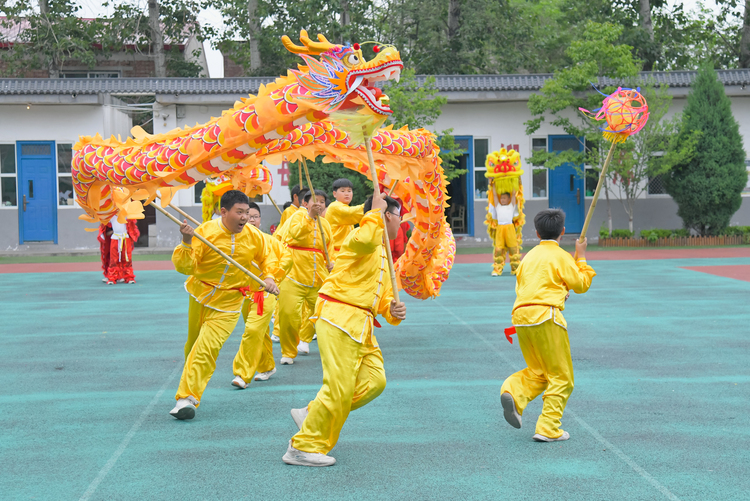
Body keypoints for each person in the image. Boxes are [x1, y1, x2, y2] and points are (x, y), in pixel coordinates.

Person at [282, 192, 406, 467]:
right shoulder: (361, 238)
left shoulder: (383, 252)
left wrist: (391, 310)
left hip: (361, 326)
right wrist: (374, 210)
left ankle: (313, 412)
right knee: (338, 387)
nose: (402, 222)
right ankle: (303, 446)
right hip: (339, 317)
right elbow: (367, 237)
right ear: (387, 215)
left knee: (375, 382)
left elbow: (382, 295)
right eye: (399, 216)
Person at [169, 190, 281, 420]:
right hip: (199, 294)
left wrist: (269, 277)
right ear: (223, 211)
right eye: (239, 212)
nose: (244, 218)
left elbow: (268, 257)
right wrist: (187, 241)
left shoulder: (253, 235)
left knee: (206, 348)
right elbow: (185, 267)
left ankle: (186, 398)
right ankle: (190, 379)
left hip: (229, 303)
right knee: (193, 345)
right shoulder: (205, 232)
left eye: (247, 213)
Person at [500, 209, 596, 442]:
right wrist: (581, 256)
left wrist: (559, 291)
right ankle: (548, 427)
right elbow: (581, 284)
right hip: (546, 317)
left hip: (521, 317)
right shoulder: (562, 256)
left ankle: (513, 390)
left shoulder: (528, 258)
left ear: (536, 232)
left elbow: (526, 287)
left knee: (539, 372)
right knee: (561, 376)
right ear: (562, 231)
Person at [232, 202, 288, 387]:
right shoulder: (235, 242)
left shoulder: (269, 241)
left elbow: (287, 259)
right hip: (245, 293)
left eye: (254, 216)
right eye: (247, 215)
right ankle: (267, 366)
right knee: (260, 332)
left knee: (253, 330)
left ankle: (242, 374)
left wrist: (272, 278)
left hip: (264, 294)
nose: (250, 219)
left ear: (260, 219)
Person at [276, 189, 333, 365]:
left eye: (322, 201)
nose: (319, 204)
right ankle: (288, 351)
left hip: (318, 277)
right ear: (305, 203)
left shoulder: (326, 224)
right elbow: (294, 235)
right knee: (288, 315)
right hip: (293, 275)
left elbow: (329, 247)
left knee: (326, 314)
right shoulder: (296, 217)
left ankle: (331, 351)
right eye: (315, 201)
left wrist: (331, 263)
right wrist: (309, 216)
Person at [325, 178, 364, 258]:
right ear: (334, 194)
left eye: (349, 191)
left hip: (345, 253)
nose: (347, 194)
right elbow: (352, 213)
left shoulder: (345, 208)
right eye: (343, 191)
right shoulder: (334, 207)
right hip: (335, 254)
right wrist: (371, 204)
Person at [488, 190, 521, 277]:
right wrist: (493, 183)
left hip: (510, 228)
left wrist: (514, 181)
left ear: (508, 199)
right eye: (501, 198)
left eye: (504, 198)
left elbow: (514, 194)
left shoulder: (511, 206)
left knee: (513, 249)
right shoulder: (498, 206)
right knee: (498, 249)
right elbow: (495, 194)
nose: (502, 200)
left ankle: (516, 269)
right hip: (500, 228)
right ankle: (497, 269)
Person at [105, 218, 140, 284]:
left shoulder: (126, 215)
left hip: (125, 239)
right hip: (115, 238)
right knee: (114, 259)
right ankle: (112, 277)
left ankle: (129, 277)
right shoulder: (112, 216)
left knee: (127, 258)